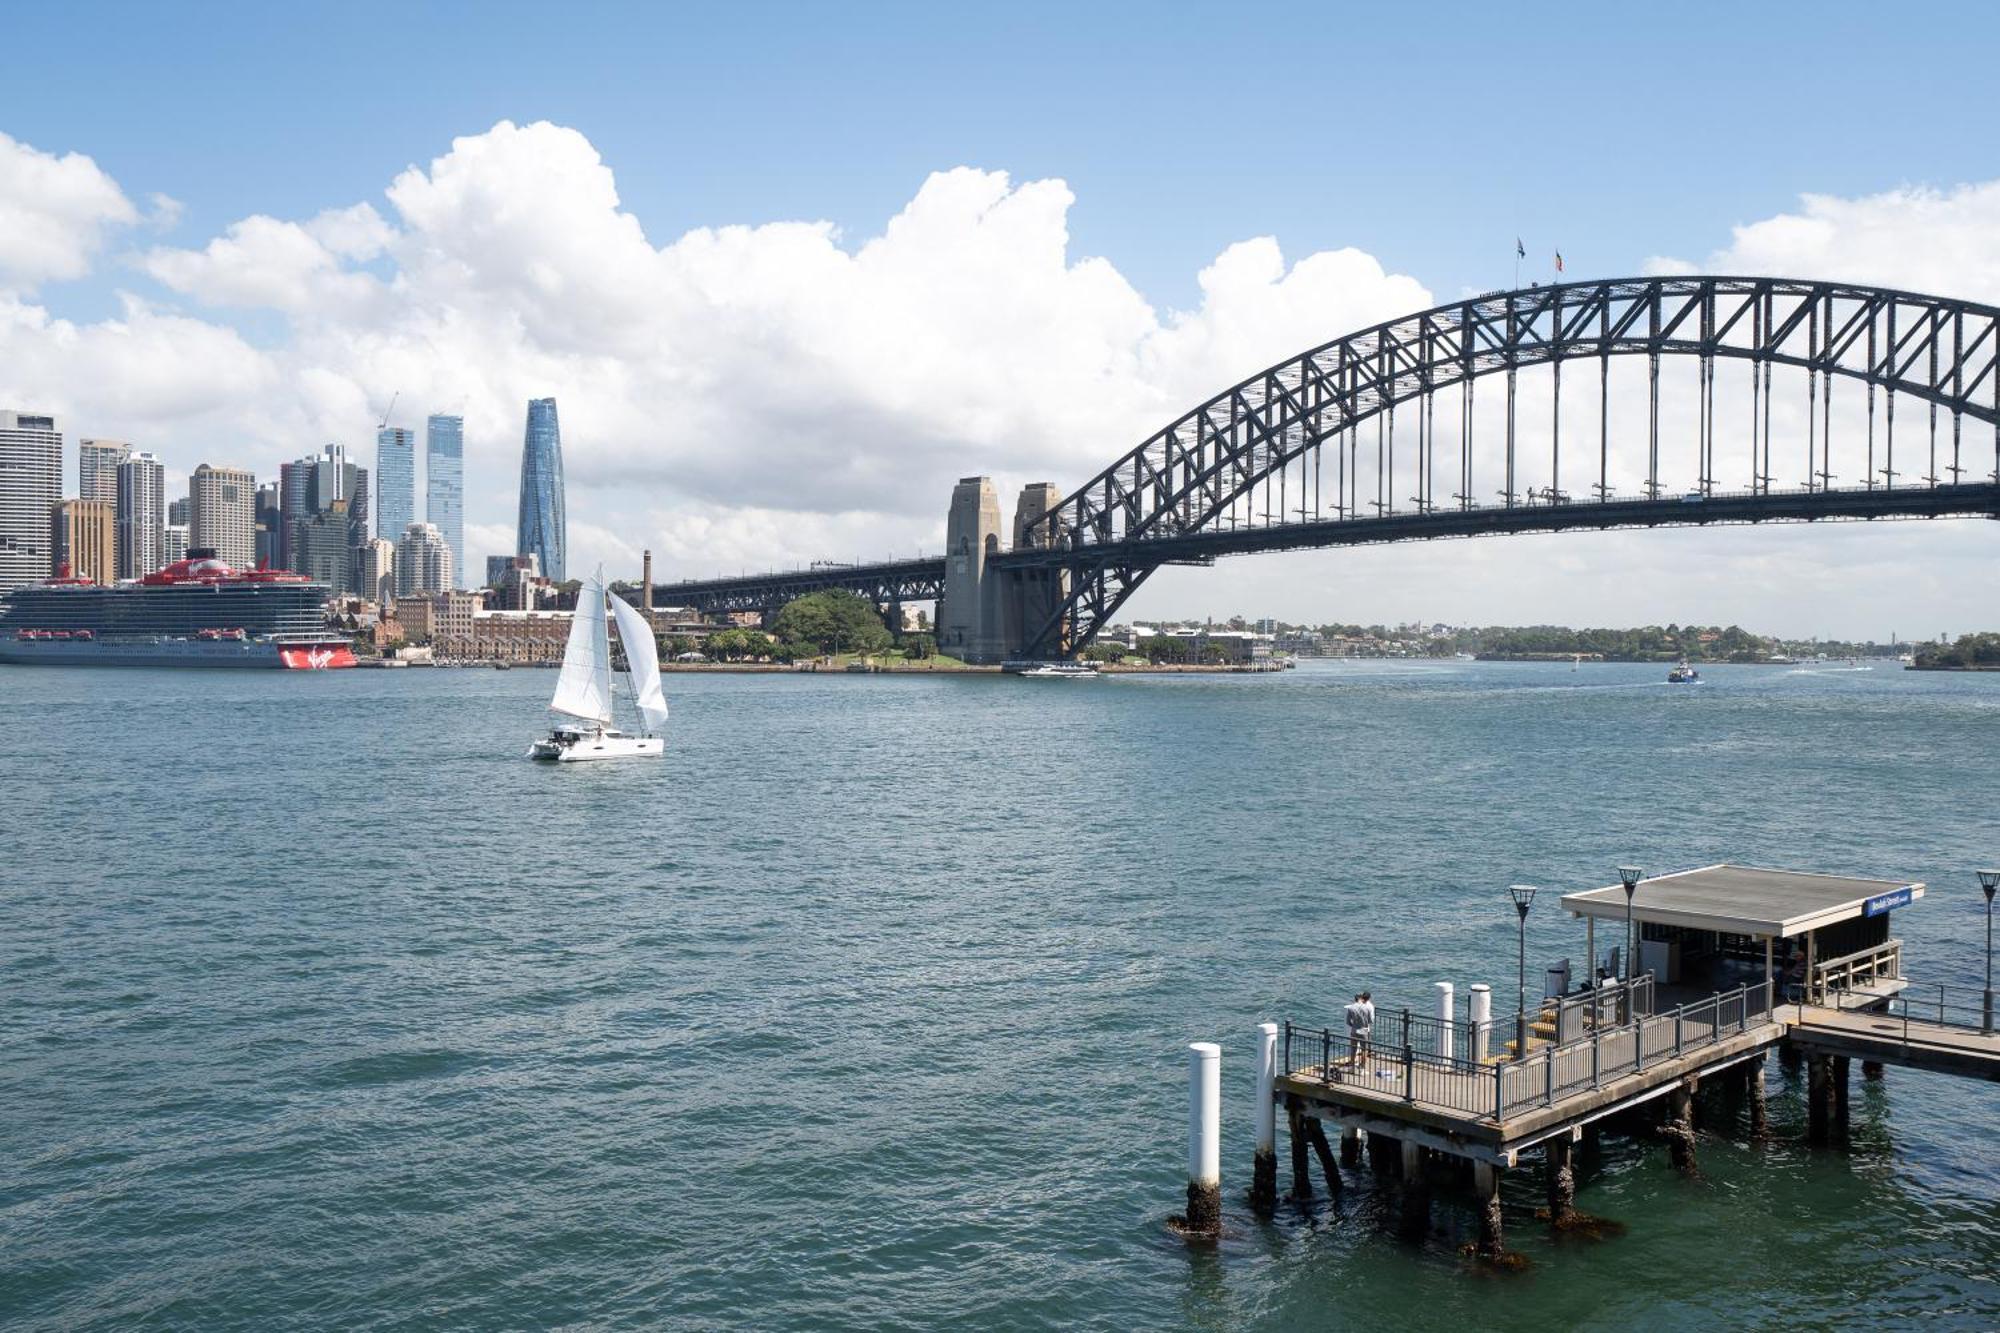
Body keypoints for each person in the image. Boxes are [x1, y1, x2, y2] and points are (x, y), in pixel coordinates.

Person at [1344, 990, 1375, 1069]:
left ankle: (1351, 1067)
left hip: (1354, 1030)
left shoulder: (1351, 1008)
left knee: (1353, 1049)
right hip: (1363, 1030)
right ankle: (1362, 1067)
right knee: (1364, 1049)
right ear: (1360, 998)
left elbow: (1348, 1021)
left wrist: (1354, 1026)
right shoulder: (1367, 1008)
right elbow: (1371, 1020)